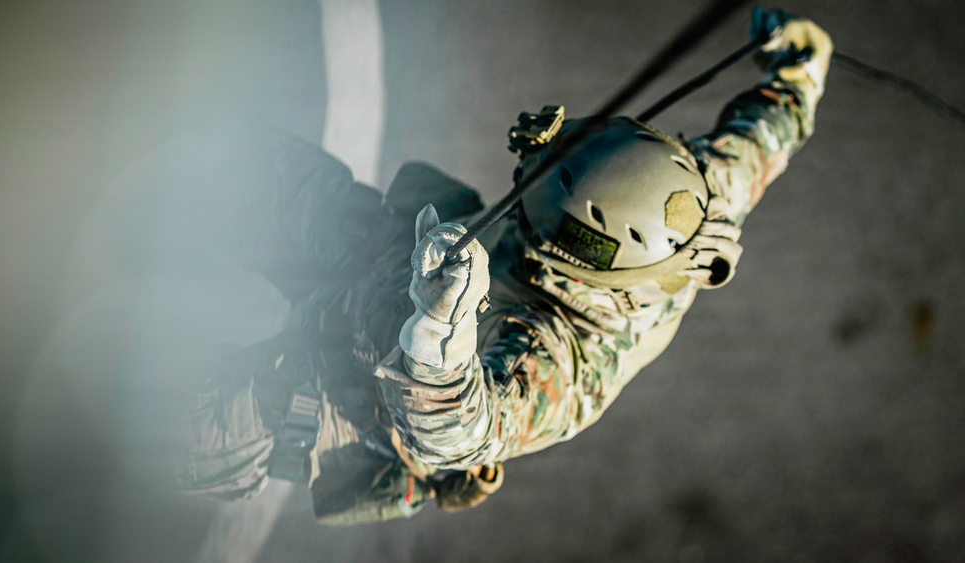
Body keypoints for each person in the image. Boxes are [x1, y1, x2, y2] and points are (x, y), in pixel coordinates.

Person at [170, 7, 833, 525]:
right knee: (239, 171)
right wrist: (799, 74)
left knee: (176, 429)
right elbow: (757, 140)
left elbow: (454, 436)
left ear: (575, 253)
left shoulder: (561, 365)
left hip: (353, 392)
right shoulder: (686, 202)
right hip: (392, 266)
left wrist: (437, 330)